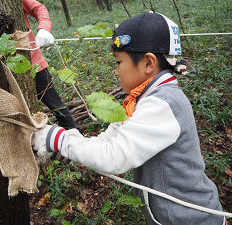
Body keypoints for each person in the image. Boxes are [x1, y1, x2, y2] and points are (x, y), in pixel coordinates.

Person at [32, 12, 226, 225]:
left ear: (148, 63)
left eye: (119, 62)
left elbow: (114, 157)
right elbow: (110, 141)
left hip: (194, 220)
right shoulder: (142, 99)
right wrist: (67, 149)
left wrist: (61, 140)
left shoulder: (163, 104)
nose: (116, 71)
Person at [22, 0, 79, 130]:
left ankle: (74, 135)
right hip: (2, 70)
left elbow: (39, 8)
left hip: (34, 64)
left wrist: (43, 29)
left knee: (56, 105)